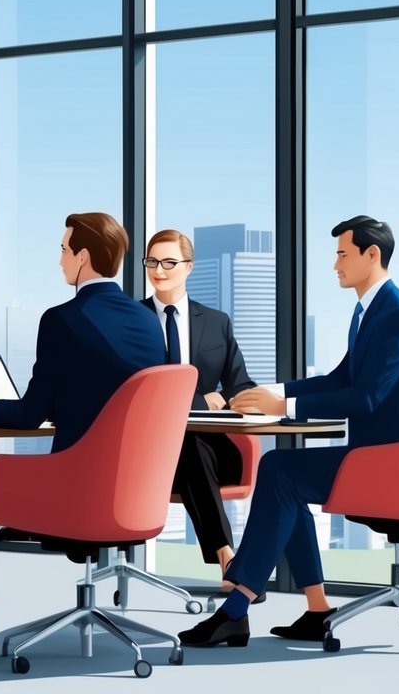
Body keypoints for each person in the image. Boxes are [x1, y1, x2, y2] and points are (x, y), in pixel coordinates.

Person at [0, 212, 167, 662]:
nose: (60, 261)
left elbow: (30, 415)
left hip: (78, 489)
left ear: (84, 257)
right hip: (136, 494)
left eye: (64, 250)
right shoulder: (148, 321)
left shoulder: (63, 320)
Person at [179, 215, 399, 648]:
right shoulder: (371, 311)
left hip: (394, 465)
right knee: (285, 475)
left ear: (372, 255)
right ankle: (316, 610)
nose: (335, 265)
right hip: (376, 456)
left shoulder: (398, 315)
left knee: (280, 471)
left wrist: (286, 406)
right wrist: (271, 392)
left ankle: (236, 610)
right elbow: (340, 379)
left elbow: (368, 396)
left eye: (342, 254)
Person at [142, 229, 256, 578]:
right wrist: (202, 401)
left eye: (169, 262)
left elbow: (239, 383)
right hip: (146, 455)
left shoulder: (216, 323)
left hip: (211, 451)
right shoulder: (133, 321)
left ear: (189, 266)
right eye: (151, 262)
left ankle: (228, 555)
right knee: (186, 442)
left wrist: (252, 400)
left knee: (191, 442)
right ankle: (227, 557)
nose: (158, 270)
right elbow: (141, 392)